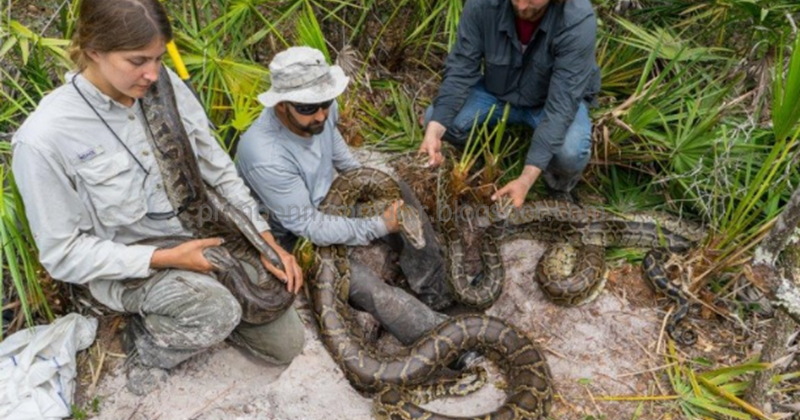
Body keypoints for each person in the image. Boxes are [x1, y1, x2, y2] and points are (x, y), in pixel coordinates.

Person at [11, 0, 304, 396]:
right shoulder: (45, 139)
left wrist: (265, 242)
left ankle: (208, 307)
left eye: (158, 58)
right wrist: (167, 260)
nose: (152, 73)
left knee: (286, 344)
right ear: (93, 50)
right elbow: (62, 254)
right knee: (217, 311)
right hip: (132, 262)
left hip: (207, 237)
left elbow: (218, 169)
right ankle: (145, 342)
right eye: (137, 61)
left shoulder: (163, 86)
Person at [236, 47, 480, 363]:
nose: (322, 114)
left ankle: (438, 293)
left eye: (325, 103)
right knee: (371, 289)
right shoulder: (264, 153)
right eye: (309, 107)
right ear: (281, 106)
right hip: (297, 236)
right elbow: (310, 226)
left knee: (399, 192)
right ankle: (448, 345)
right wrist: (380, 225)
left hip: (333, 200)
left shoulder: (319, 114)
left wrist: (372, 187)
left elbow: (339, 153)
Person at [419, 0, 601, 207]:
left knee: (571, 152)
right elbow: (460, 70)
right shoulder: (482, 4)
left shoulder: (577, 20)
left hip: (549, 101)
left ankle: (557, 186)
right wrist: (433, 132)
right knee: (436, 118)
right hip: (497, 91)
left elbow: (560, 108)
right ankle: (478, 156)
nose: (522, 7)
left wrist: (525, 179)